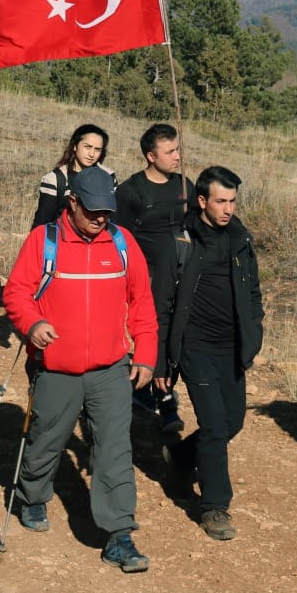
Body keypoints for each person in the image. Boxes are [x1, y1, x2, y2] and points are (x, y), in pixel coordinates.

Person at [2, 166, 158, 573]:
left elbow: (142, 302)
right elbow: (17, 292)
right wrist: (33, 324)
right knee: (45, 441)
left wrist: (145, 354)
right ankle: (33, 496)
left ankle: (119, 535)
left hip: (110, 370)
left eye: (106, 211)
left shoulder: (122, 244)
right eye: (92, 211)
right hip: (57, 367)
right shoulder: (44, 241)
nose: (100, 219)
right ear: (72, 203)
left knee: (114, 448)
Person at [158, 166, 264, 541]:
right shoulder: (183, 240)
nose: (229, 209)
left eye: (233, 201)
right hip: (195, 346)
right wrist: (160, 360)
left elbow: (253, 292)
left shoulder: (240, 238)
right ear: (202, 200)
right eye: (221, 201)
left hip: (231, 348)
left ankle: (182, 458)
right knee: (216, 426)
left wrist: (255, 332)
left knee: (232, 422)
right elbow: (163, 303)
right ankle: (215, 506)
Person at [113, 122, 192, 436]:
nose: (177, 156)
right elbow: (119, 239)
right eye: (170, 151)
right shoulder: (130, 191)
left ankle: (163, 390)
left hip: (182, 277)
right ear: (150, 156)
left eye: (178, 149)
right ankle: (158, 396)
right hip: (145, 278)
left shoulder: (186, 186)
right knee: (150, 333)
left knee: (175, 335)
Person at [32, 123, 114, 228]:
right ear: (75, 146)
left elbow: (112, 219)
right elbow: (41, 223)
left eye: (97, 149)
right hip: (62, 240)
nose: (92, 154)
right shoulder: (56, 179)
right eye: (87, 147)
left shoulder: (108, 177)